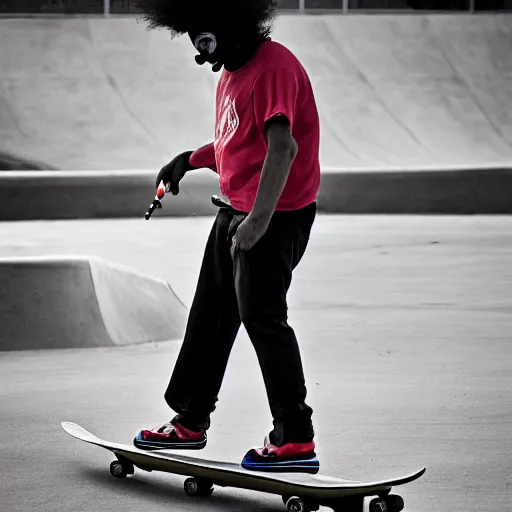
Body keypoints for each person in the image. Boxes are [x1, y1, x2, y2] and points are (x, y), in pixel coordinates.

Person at [133, 0, 321, 473]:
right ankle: (190, 419)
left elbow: (282, 147)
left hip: (275, 216)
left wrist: (258, 221)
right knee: (212, 311)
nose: (208, 59)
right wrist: (189, 159)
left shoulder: (273, 67)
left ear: (235, 26)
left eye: (209, 44)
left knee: (262, 317)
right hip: (237, 211)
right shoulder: (232, 73)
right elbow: (240, 142)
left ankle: (296, 437)